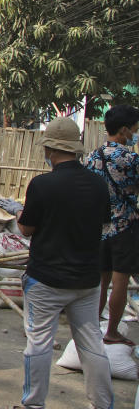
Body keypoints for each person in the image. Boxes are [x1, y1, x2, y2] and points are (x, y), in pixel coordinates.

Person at [9, 118, 113, 409]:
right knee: (92, 344)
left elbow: (26, 230)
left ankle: (33, 404)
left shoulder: (42, 185)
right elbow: (103, 225)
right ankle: (103, 403)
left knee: (39, 345)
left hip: (46, 279)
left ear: (51, 150)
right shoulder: (97, 185)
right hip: (87, 280)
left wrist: (19, 214)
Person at [84, 104, 139, 346]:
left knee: (100, 281)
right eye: (135, 130)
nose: (135, 135)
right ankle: (112, 332)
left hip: (99, 227)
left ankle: (92, 327)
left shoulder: (92, 157)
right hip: (124, 227)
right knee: (120, 281)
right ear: (124, 130)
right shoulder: (131, 159)